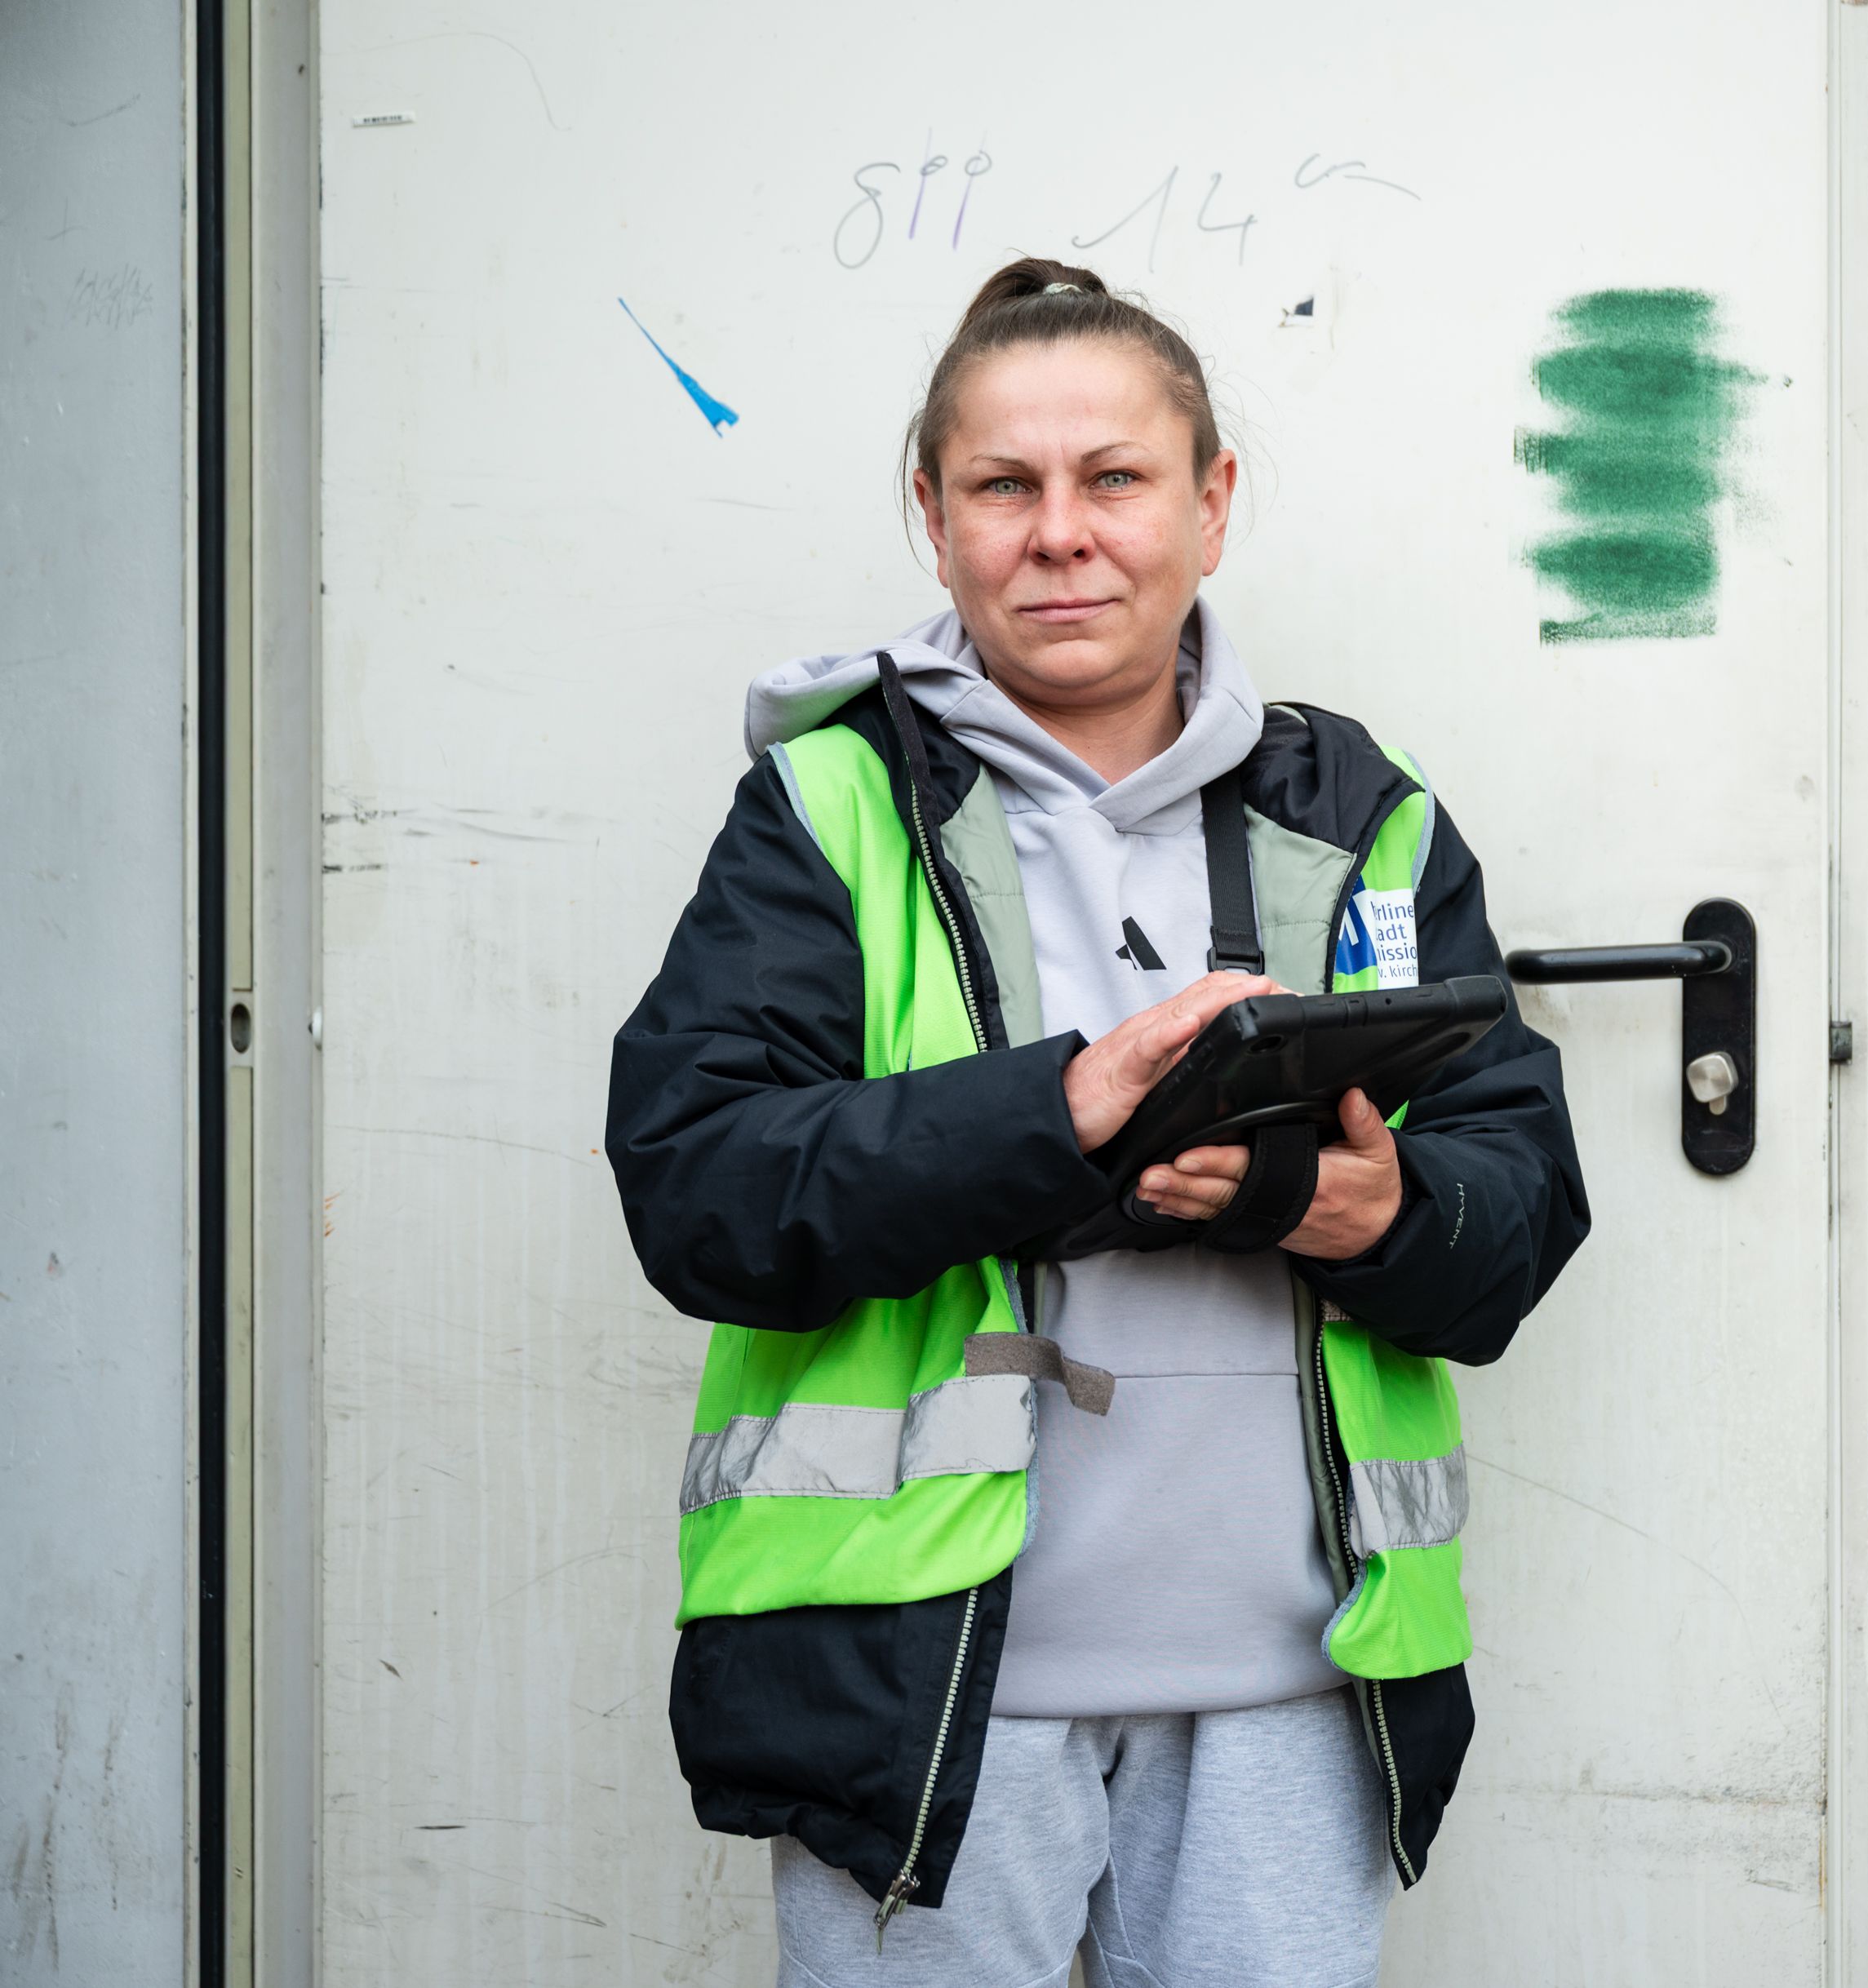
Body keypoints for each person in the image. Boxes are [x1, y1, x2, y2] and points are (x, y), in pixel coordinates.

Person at [606, 258, 1589, 1988]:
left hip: (1295, 1691)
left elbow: (1513, 1202)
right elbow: (701, 1192)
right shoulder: (827, 806)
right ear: (934, 514)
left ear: (1211, 504)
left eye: (1114, 478)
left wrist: (1368, 1213)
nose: (1060, 532)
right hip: (926, 1704)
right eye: (1004, 484)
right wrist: (1054, 1113)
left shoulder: (1364, 816)